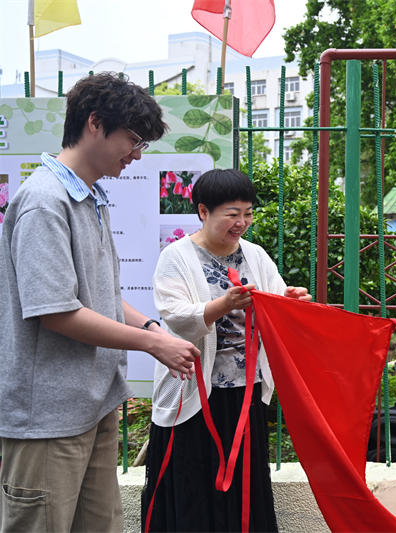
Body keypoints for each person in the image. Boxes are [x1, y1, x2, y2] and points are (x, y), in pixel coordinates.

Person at [0, 73, 199, 532]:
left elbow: (101, 296)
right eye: (133, 139)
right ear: (95, 123)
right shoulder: (44, 202)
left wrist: (151, 329)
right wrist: (152, 345)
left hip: (93, 403)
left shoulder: (89, 197)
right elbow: (56, 312)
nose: (136, 154)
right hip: (47, 416)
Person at [141, 169, 312, 532]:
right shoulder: (176, 256)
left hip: (245, 390)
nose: (242, 222)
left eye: (248, 213)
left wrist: (289, 300)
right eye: (232, 213)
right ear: (203, 211)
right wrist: (224, 304)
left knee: (245, 484)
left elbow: (274, 302)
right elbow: (175, 316)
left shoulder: (255, 255)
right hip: (194, 392)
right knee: (192, 480)